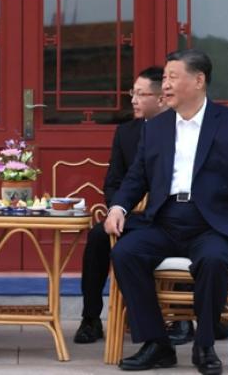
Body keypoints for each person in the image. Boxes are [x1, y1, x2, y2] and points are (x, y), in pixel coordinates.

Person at [105, 49, 228, 374]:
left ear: (198, 80)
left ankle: (204, 345)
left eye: (172, 77)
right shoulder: (157, 127)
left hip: (211, 223)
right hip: (164, 220)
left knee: (213, 260)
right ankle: (157, 344)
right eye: (164, 78)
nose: (164, 85)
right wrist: (119, 206)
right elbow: (137, 176)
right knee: (126, 252)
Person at [74, 66, 167, 344]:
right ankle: (90, 318)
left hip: (167, 216)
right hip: (132, 217)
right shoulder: (126, 133)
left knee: (183, 228)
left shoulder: (181, 128)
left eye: (141, 94)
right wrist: (118, 210)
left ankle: (183, 318)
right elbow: (114, 181)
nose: (134, 100)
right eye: (132, 93)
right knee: (98, 236)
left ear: (162, 98)